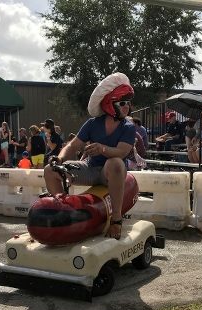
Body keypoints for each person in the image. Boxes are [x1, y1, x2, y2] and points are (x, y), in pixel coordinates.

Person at [44, 72, 136, 240]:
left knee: (115, 163)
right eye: (122, 103)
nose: (127, 107)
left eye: (128, 103)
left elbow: (122, 152)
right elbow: (73, 145)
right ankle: (63, 213)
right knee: (50, 170)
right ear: (109, 104)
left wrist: (102, 149)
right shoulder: (93, 124)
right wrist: (60, 159)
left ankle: (116, 220)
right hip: (92, 169)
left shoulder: (128, 127)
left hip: (110, 173)